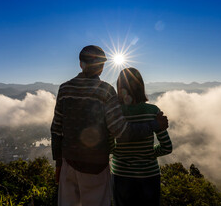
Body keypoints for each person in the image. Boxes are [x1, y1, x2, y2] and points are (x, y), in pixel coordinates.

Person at [51, 45, 169, 206]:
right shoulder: (105, 90)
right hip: (96, 168)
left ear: (80, 64)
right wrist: (154, 124)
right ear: (102, 67)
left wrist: (58, 164)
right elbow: (121, 131)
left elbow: (56, 129)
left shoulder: (64, 88)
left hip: (68, 164)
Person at [111, 67, 173, 206]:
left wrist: (119, 152)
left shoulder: (114, 113)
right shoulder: (153, 111)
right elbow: (167, 147)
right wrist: (149, 153)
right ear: (141, 86)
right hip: (149, 175)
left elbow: (108, 145)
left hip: (121, 174)